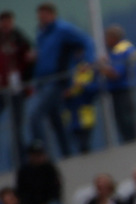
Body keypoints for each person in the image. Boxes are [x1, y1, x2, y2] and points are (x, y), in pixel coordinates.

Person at [27, 3, 94, 159]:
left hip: (57, 80)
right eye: (40, 16)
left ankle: (40, 155)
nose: (41, 18)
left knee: (34, 115)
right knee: (56, 121)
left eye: (44, 15)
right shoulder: (41, 33)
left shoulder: (63, 29)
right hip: (42, 82)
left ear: (52, 14)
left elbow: (86, 41)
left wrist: (88, 61)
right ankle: (67, 154)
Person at [96, 25, 136, 143]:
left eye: (106, 38)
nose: (105, 41)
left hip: (122, 89)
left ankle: (131, 142)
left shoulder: (120, 50)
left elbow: (115, 73)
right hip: (128, 88)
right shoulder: (128, 48)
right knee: (127, 119)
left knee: (125, 120)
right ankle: (132, 140)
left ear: (113, 38)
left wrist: (100, 67)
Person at [0, 12, 33, 168]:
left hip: (16, 87)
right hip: (2, 87)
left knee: (18, 126)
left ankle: (22, 161)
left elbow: (29, 58)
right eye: (4, 21)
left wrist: (26, 81)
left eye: (9, 21)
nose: (7, 24)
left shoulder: (19, 38)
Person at [15, 139, 61, 204]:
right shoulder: (24, 172)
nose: (38, 157)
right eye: (35, 155)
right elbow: (21, 192)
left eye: (40, 154)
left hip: (48, 203)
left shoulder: (49, 168)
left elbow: (55, 189)